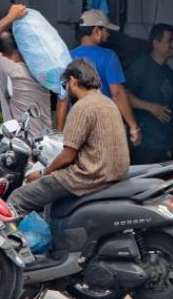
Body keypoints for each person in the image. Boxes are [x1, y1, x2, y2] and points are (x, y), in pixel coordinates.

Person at [9, 59, 130, 216]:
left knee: (18, 197)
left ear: (73, 81)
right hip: (111, 174)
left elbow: (67, 156)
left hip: (88, 176)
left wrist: (42, 174)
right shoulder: (108, 103)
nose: (66, 91)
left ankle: (13, 240)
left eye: (65, 85)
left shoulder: (82, 107)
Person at [56, 9, 142, 147]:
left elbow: (62, 99)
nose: (108, 34)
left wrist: (59, 133)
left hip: (76, 125)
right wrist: (133, 126)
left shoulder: (67, 57)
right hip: (103, 125)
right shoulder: (109, 57)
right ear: (96, 31)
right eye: (106, 30)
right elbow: (118, 94)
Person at [0, 3, 53, 137]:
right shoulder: (40, 71)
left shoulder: (12, 71)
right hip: (46, 143)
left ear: (2, 55)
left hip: (25, 146)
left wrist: (10, 17)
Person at [125, 24, 173, 164]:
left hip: (166, 144)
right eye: (169, 41)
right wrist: (151, 107)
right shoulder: (141, 67)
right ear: (156, 43)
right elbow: (124, 96)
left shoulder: (168, 72)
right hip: (145, 143)